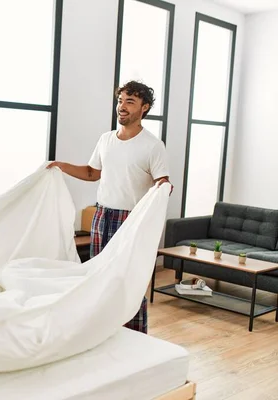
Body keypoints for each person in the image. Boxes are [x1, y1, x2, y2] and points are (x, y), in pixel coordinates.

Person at [47, 80, 172, 334]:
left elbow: (163, 182)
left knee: (128, 279)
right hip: (102, 216)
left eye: (130, 102)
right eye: (120, 100)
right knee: (99, 276)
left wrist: (163, 188)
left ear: (144, 108)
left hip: (132, 220)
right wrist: (60, 165)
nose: (122, 107)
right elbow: (93, 173)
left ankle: (133, 335)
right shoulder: (106, 140)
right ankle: (100, 330)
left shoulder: (153, 146)